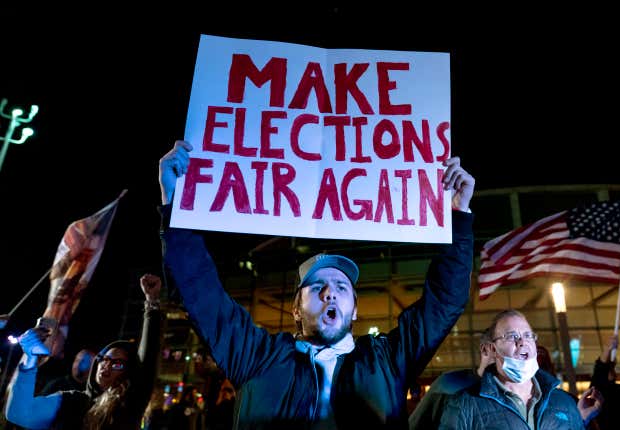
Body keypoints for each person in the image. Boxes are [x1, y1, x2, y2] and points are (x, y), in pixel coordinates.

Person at [159, 140, 475, 429]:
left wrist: (459, 217)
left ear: (354, 311)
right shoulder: (257, 356)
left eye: (341, 287)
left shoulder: (389, 360)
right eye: (316, 286)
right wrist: (174, 202)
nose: (329, 292)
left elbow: (445, 301)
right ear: (296, 310)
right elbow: (199, 292)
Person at [4, 273, 162, 430]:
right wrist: (30, 359)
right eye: (103, 359)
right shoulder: (71, 400)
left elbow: (148, 360)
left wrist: (152, 303)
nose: (106, 366)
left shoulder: (129, 405)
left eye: (117, 364)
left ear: (129, 373)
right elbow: (19, 414)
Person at [438, 309, 603, 429]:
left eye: (528, 335)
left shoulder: (566, 403)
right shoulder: (463, 405)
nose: (522, 342)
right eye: (511, 336)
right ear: (492, 349)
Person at [409, 330, 494, 430]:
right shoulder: (448, 384)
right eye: (510, 338)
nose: (517, 347)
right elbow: (415, 424)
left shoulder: (512, 394)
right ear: (485, 349)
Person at [590, 334, 620, 429]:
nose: (614, 372)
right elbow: (600, 368)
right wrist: (608, 348)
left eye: (613, 368)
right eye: (611, 369)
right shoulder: (599, 389)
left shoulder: (619, 390)